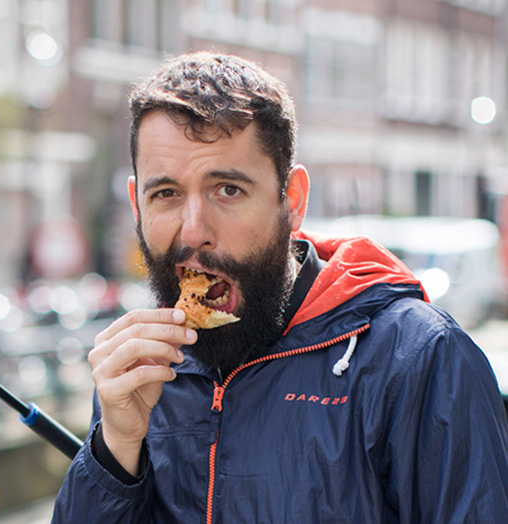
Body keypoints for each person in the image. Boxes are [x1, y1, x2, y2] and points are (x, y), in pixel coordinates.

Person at [52, 51, 508, 523]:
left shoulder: (419, 359)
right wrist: (113, 453)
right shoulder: (143, 370)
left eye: (227, 189)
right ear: (136, 205)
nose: (192, 231)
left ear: (291, 201)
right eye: (166, 194)